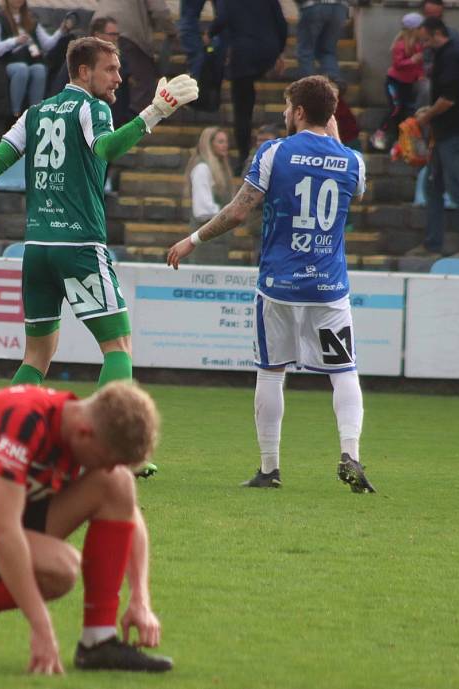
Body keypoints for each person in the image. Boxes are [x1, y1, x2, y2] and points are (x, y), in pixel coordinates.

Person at [0, 37, 197, 394]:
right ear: (84, 72)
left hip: (38, 249)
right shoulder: (94, 108)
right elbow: (106, 148)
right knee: (118, 348)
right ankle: (108, 444)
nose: (119, 78)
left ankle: (7, 434)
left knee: (36, 357)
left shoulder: (35, 113)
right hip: (80, 245)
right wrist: (156, 111)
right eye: (111, 70)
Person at [167, 75, 376, 494]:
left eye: (286, 107)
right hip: (329, 286)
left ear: (298, 111)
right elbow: (355, 192)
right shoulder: (353, 161)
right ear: (330, 114)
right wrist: (334, 138)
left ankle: (269, 468)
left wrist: (192, 239)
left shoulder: (274, 153)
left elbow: (238, 212)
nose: (283, 114)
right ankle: (350, 452)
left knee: (270, 371)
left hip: (279, 283)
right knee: (344, 371)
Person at [0, 380, 173, 673]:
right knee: (61, 568)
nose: (104, 467)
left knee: (117, 482)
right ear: (84, 433)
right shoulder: (24, 422)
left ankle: (98, 642)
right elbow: (4, 530)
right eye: (105, 459)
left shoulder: (79, 427)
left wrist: (140, 599)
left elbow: (128, 511)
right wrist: (42, 628)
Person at [407, 18, 459, 259]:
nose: (423, 43)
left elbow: (448, 98)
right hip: (444, 133)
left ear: (437, 33)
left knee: (457, 187)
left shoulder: (451, 56)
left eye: (425, 38)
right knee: (432, 185)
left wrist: (425, 117)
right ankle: (432, 244)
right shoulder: (441, 55)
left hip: (456, 132)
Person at [210, 0, 287, 174]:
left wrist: (210, 32)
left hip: (243, 56)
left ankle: (244, 157)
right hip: (268, 50)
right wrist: (279, 52)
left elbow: (222, 19)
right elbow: (281, 24)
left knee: (242, 110)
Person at [0, 0, 70, 120]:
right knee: (22, 69)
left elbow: (47, 44)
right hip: (4, 62)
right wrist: (15, 41)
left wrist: (61, 31)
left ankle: (35, 114)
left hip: (29, 60)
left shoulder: (30, 18)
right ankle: (15, 115)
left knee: (40, 69)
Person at [92, 0, 177, 118]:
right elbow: (160, 10)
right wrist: (171, 31)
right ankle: (133, 123)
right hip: (129, 32)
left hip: (99, 22)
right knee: (144, 83)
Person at [370, 13, 425, 152]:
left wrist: (420, 75)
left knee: (405, 111)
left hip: (408, 84)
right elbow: (398, 63)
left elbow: (419, 67)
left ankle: (399, 141)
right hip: (394, 82)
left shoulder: (419, 46)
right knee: (395, 108)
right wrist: (412, 60)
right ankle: (379, 134)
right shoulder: (400, 45)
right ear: (414, 30)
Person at [184, 126, 234, 225]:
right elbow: (203, 210)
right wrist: (227, 215)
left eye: (226, 142)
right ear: (209, 145)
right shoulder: (202, 168)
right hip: (207, 232)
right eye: (220, 142)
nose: (225, 145)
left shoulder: (221, 168)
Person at [295, 0, 349, 81]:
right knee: (327, 50)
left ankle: (309, 84)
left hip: (313, 5)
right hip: (339, 7)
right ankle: (333, 80)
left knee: (306, 50)